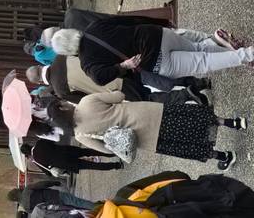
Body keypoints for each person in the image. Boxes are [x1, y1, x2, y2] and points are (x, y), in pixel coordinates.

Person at [47, 93, 247, 171]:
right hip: (148, 112)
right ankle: (232, 123)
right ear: (63, 108)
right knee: (192, 118)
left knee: (186, 145)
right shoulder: (86, 102)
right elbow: (119, 95)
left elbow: (108, 151)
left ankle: (224, 155)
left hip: (146, 138)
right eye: (62, 104)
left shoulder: (80, 134)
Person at [50, 16, 254, 85]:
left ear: (67, 52)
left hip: (154, 60)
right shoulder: (94, 27)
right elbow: (129, 20)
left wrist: (123, 66)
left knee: (203, 63)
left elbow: (99, 78)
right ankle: (225, 45)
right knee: (199, 48)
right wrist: (160, 23)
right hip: (157, 35)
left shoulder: (86, 62)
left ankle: (247, 54)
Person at [25, 57, 209, 106]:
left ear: (40, 83)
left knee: (150, 99)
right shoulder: (60, 57)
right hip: (117, 68)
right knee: (157, 78)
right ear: (40, 66)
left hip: (114, 89)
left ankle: (187, 94)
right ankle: (198, 82)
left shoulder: (59, 90)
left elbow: (86, 101)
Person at [21, 140, 122, 175]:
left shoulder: (37, 161)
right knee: (88, 151)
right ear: (29, 145)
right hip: (67, 151)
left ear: (27, 154)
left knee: (92, 165)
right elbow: (53, 142)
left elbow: (47, 172)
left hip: (66, 164)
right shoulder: (40, 142)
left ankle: (116, 165)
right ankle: (112, 153)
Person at [8, 180, 97, 213]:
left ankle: (95, 213)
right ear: (16, 191)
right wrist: (55, 182)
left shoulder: (26, 208)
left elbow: (39, 211)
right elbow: (43, 184)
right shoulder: (27, 190)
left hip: (55, 208)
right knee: (77, 202)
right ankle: (98, 207)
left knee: (75, 210)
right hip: (56, 196)